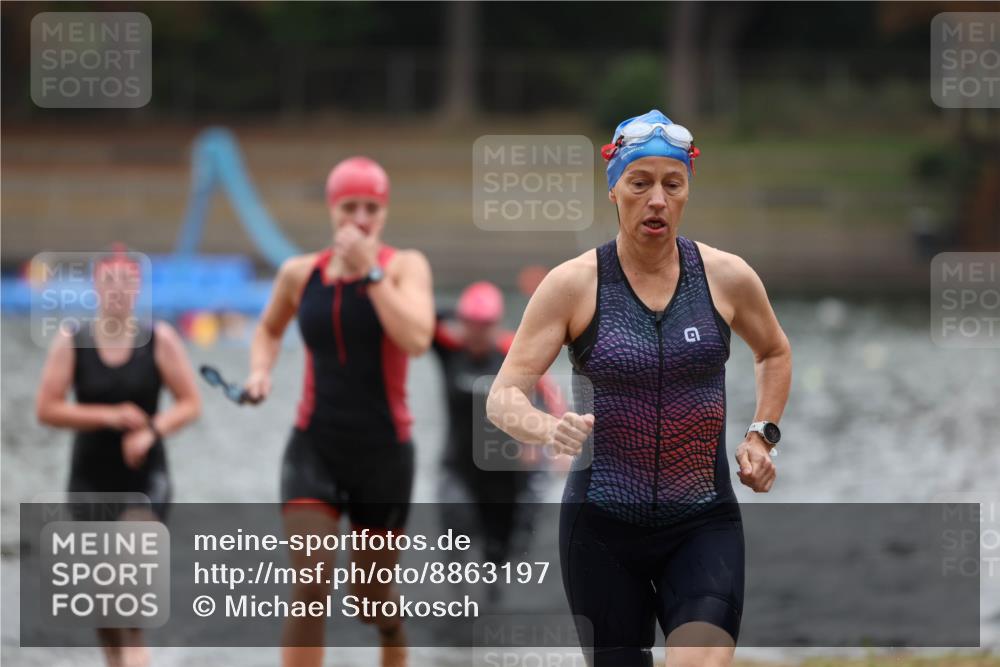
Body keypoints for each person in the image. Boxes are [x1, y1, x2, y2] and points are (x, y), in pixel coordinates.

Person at [487, 110, 792, 667]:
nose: (657, 199)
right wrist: (547, 428)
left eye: (672, 185)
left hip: (703, 522)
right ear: (614, 190)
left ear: (686, 192)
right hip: (601, 528)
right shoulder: (574, 284)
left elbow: (773, 351)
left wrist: (761, 434)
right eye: (641, 183)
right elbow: (503, 394)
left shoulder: (726, 277)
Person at [243, 156, 434, 667]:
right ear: (332, 211)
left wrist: (371, 272)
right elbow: (267, 329)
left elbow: (416, 338)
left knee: (370, 601)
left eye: (371, 208)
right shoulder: (298, 273)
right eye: (350, 206)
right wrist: (260, 372)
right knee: (309, 586)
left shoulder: (403, 267)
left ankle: (392, 633)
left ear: (384, 214)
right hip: (315, 444)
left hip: (384, 453)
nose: (360, 218)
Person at [35, 246, 202, 667]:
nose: (117, 293)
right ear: (95, 287)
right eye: (109, 283)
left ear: (137, 289)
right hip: (90, 478)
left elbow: (190, 403)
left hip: (145, 479)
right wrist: (108, 415)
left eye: (126, 284)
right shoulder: (73, 340)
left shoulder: (159, 339)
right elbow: (47, 408)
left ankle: (137, 654)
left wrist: (151, 429)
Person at [431, 281, 565, 584]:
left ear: (496, 324)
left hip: (504, 467)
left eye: (485, 325)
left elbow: (549, 393)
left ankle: (494, 591)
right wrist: (461, 311)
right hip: (459, 461)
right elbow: (427, 316)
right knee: (454, 520)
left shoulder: (510, 351)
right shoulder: (449, 350)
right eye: (471, 324)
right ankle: (458, 594)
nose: (477, 333)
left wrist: (552, 442)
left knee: (501, 548)